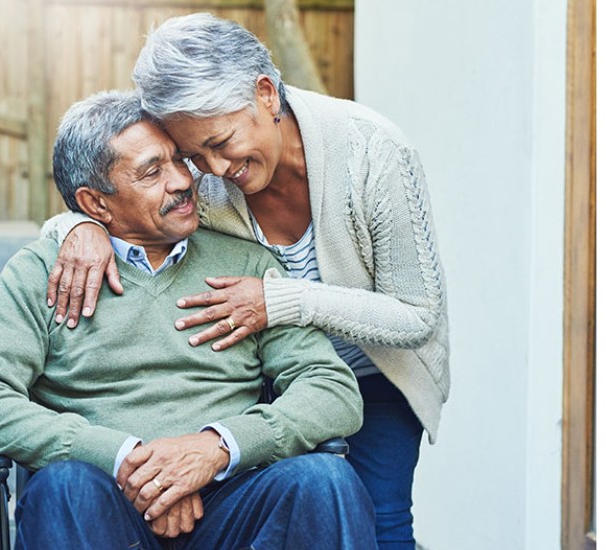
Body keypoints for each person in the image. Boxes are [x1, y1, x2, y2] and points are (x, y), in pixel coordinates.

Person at [41, 13, 450, 550]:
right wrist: (81, 224)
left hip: (375, 373)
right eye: (193, 154)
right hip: (258, 371)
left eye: (221, 141)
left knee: (379, 524)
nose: (212, 168)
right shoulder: (205, 182)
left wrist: (280, 300)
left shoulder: (372, 153)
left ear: (265, 94)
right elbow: (125, 205)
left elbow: (417, 315)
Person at [0, 89, 378, 550]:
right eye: (152, 171)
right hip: (100, 503)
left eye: (178, 161)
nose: (181, 181)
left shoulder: (248, 264)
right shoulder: (40, 274)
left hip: (232, 500)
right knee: (64, 486)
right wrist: (124, 459)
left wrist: (217, 448)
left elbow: (332, 391)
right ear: (95, 205)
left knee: (325, 479)